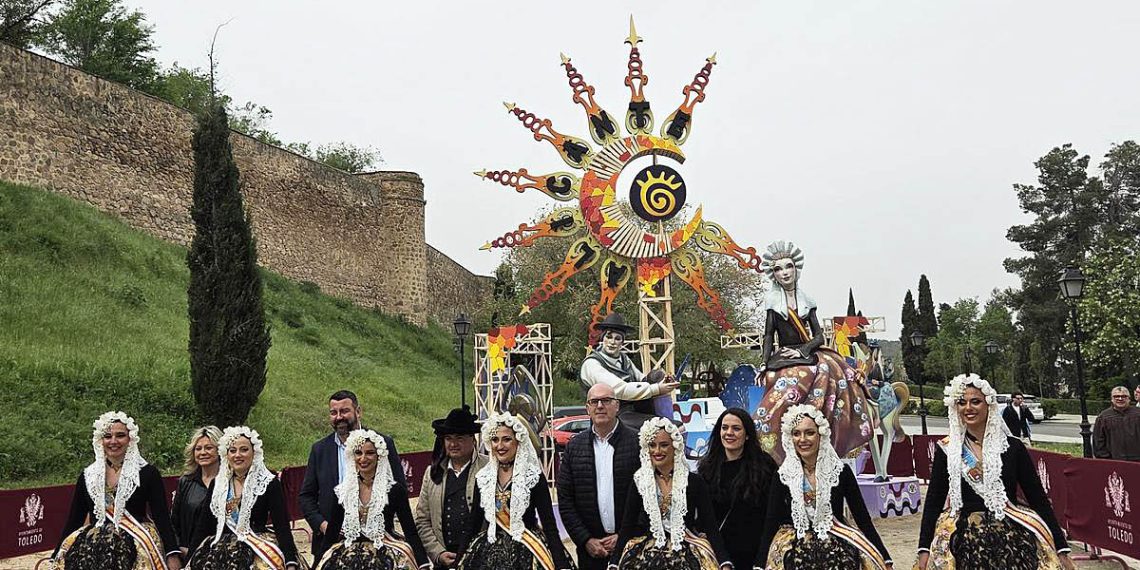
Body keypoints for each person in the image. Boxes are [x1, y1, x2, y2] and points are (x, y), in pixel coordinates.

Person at [916, 374, 1075, 570]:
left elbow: (1038, 498)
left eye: (975, 402)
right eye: (962, 402)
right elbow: (933, 501)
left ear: (989, 405)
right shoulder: (947, 450)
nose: (968, 408)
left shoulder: (1013, 447)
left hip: (1011, 539)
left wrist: (1061, 547)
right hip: (964, 542)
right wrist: (924, 548)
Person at [753, 242, 874, 463]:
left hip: (808, 351)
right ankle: (771, 436)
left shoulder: (808, 301)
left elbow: (818, 336)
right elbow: (769, 335)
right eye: (778, 269)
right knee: (776, 379)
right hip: (784, 354)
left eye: (788, 266)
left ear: (796, 268)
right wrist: (764, 362)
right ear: (774, 275)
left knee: (832, 371)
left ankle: (825, 428)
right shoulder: (772, 303)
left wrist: (803, 351)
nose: (784, 272)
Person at [757, 405, 891, 570]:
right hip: (793, 545)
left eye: (809, 433)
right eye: (796, 433)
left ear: (821, 435)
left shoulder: (840, 472)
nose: (802, 439)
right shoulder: (783, 475)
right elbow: (770, 522)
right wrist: (759, 564)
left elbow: (862, 518)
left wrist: (885, 558)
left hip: (836, 543)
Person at [52, 411, 182, 570]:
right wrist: (57, 553)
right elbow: (74, 518)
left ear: (130, 439)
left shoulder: (148, 473)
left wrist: (172, 553)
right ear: (101, 440)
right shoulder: (88, 475)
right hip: (93, 546)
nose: (113, 441)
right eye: (107, 436)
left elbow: (161, 516)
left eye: (120, 435)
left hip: (136, 541)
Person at [608, 417, 729, 570]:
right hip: (647, 554)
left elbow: (710, 526)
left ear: (675, 446)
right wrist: (614, 562)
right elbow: (627, 526)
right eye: (652, 445)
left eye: (664, 445)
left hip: (686, 552)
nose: (657, 451)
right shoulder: (640, 481)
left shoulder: (694, 481)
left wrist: (724, 561)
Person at [302, 390, 408, 562]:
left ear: (358, 411)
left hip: (377, 547)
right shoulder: (319, 449)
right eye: (333, 413)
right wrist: (324, 526)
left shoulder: (383, 443)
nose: (338, 417)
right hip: (329, 545)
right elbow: (306, 496)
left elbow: (399, 489)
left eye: (344, 411)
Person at [456, 412, 572, 570]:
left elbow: (549, 525)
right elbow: (473, 524)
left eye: (507, 439)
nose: (500, 446)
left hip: (527, 549)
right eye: (495, 440)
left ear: (518, 442)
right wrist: (457, 562)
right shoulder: (483, 478)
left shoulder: (533, 477)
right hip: (488, 551)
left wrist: (561, 563)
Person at [187, 426, 302, 569]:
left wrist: (290, 561)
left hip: (257, 547)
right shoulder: (218, 484)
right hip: (220, 551)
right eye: (232, 450)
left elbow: (282, 526)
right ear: (226, 455)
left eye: (244, 450)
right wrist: (189, 559)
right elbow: (203, 526)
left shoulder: (268, 483)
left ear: (254, 453)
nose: (237, 455)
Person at [316, 429, 430, 569]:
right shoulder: (343, 492)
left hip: (385, 552)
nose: (363, 459)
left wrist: (423, 563)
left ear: (379, 456)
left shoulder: (394, 490)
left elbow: (410, 531)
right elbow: (331, 535)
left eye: (369, 453)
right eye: (358, 453)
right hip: (348, 555)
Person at [559, 383, 640, 570]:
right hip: (591, 552)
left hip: (631, 548)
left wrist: (625, 536)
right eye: (594, 401)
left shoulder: (637, 443)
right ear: (587, 408)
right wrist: (585, 539)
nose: (600, 406)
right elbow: (565, 499)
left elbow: (649, 497)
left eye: (606, 400)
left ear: (617, 405)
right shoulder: (574, 447)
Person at [696, 408, 777, 569]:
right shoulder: (707, 468)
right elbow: (706, 518)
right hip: (719, 554)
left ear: (747, 435)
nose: (729, 433)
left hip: (757, 553)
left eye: (736, 428)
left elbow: (771, 515)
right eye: (724, 428)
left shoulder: (765, 466)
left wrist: (762, 560)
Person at [415, 406, 488, 569]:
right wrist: (438, 553)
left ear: (473, 439)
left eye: (460, 438)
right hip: (444, 560)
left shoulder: (489, 468)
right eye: (448, 438)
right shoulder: (432, 473)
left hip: (481, 560)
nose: (453, 444)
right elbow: (422, 520)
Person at [580, 313, 679, 429]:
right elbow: (619, 389)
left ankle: (666, 421)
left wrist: (663, 381)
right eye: (609, 337)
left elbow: (642, 379)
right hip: (610, 413)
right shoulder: (592, 364)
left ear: (622, 342)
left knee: (656, 375)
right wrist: (657, 388)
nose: (612, 342)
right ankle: (664, 426)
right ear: (603, 338)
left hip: (633, 410)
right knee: (662, 427)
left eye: (617, 338)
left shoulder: (624, 359)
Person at [171, 425, 222, 558]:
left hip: (217, 553)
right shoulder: (185, 482)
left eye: (209, 448)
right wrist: (178, 549)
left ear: (220, 450)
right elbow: (174, 521)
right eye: (198, 449)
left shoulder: (230, 482)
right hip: (185, 552)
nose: (203, 452)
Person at [1093, 386, 1140, 461]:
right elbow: (1098, 442)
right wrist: (1106, 459)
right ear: (1111, 399)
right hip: (1114, 462)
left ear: (1129, 398)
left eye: (1124, 396)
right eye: (1116, 396)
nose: (1120, 399)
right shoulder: (1103, 417)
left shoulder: (1138, 414)